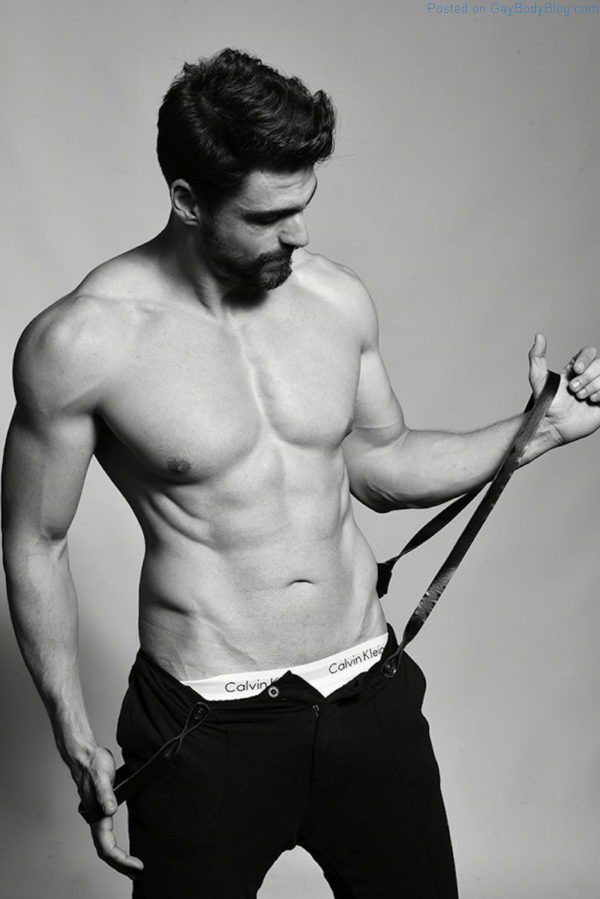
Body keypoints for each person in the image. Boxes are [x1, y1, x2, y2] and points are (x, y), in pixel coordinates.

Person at [2, 48, 599, 899]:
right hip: (205, 723)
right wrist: (73, 732)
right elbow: (37, 539)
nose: (300, 234)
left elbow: (381, 465)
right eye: (268, 215)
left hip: (367, 698)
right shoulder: (83, 342)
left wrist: (539, 429)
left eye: (305, 204)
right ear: (187, 200)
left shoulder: (335, 301)